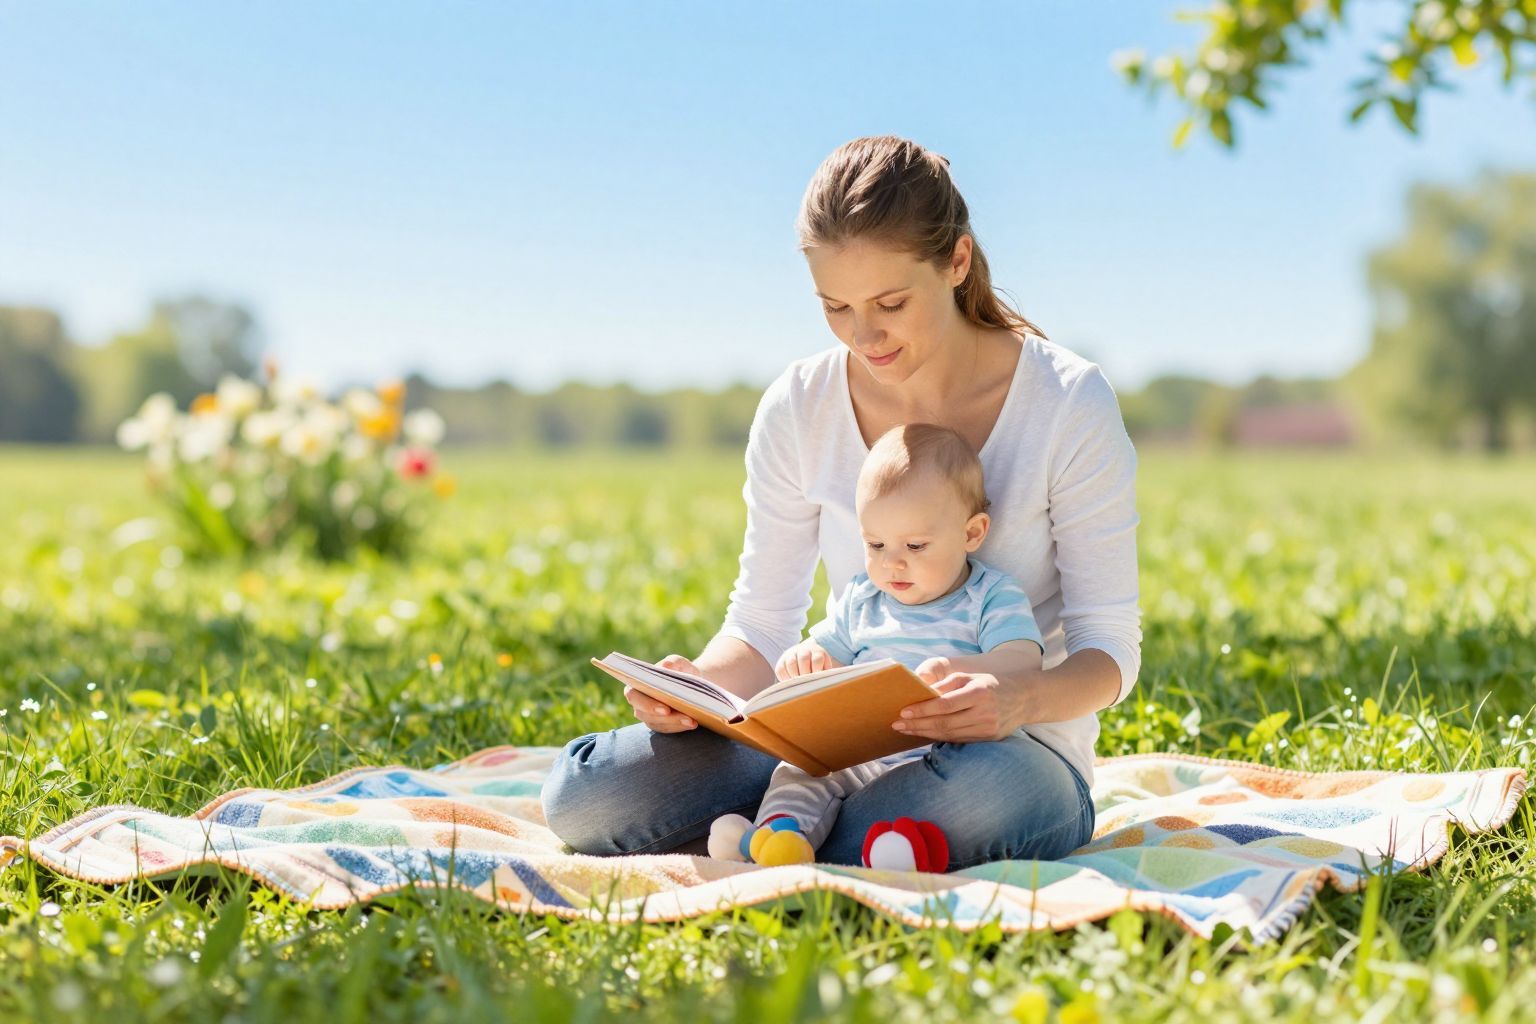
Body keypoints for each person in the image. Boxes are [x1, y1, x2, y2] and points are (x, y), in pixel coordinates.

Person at [541, 134, 1142, 870]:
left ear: (956, 261)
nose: (865, 335)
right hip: (827, 752)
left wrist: (1020, 701)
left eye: (891, 302)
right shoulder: (801, 405)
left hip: (1005, 754)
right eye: (835, 306)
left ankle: (781, 836)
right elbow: (762, 623)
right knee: (588, 794)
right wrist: (696, 689)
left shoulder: (1066, 400)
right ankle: (833, 837)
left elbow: (1109, 646)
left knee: (971, 801)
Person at [707, 422, 1046, 868]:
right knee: (800, 772)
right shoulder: (862, 597)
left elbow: (1023, 659)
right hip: (861, 750)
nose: (893, 562)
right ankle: (777, 837)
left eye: (916, 545)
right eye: (876, 544)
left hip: (942, 753)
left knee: (957, 789)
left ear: (972, 534)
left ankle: (899, 846)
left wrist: (961, 669)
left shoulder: (989, 596)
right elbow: (826, 651)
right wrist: (805, 658)